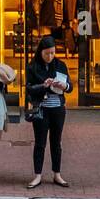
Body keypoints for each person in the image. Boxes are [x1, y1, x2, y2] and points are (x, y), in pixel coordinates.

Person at [26, 36, 73, 189]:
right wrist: (43, 86)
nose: (50, 56)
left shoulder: (60, 65)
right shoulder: (32, 67)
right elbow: (29, 89)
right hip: (41, 108)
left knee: (56, 142)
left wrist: (63, 85)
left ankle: (57, 174)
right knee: (40, 143)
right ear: (41, 52)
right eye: (47, 53)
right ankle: (37, 175)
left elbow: (70, 87)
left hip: (58, 108)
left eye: (52, 53)